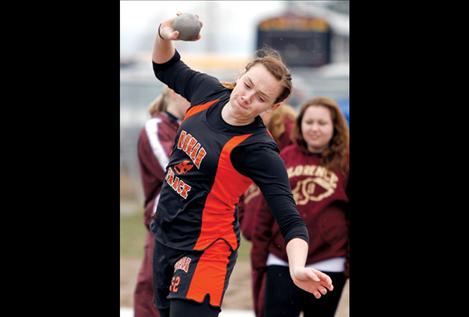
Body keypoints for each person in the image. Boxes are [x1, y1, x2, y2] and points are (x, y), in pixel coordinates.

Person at [150, 13, 334, 317]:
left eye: (261, 97)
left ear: (273, 107)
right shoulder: (207, 92)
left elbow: (290, 219)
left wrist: (298, 266)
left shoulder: (258, 149)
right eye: (247, 85)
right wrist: (163, 34)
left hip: (207, 249)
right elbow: (165, 66)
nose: (247, 97)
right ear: (243, 74)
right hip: (167, 234)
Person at [251, 97, 350, 317]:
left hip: (329, 262)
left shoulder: (345, 160)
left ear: (335, 126)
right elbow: (265, 210)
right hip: (281, 259)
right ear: (300, 124)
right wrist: (259, 257)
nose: (314, 128)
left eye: (322, 123)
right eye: (309, 122)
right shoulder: (285, 156)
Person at [134, 86, 190, 317]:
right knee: (153, 288)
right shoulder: (156, 127)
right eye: (191, 94)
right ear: (172, 91)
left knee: (185, 292)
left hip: (192, 226)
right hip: (164, 223)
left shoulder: (189, 130)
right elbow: (174, 171)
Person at [237, 103, 296, 317]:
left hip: (283, 235)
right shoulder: (241, 129)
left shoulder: (290, 133)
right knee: (261, 300)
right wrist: (244, 218)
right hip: (258, 235)